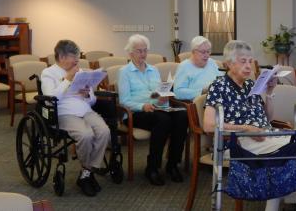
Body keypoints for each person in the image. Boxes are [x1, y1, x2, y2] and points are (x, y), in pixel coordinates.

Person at [203, 40, 296, 211]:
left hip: (264, 135)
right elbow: (208, 125)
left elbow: (267, 118)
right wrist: (245, 129)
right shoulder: (218, 86)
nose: (248, 66)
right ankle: (294, 201)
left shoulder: (250, 85)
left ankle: (288, 201)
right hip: (239, 142)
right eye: (242, 61)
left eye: (250, 61)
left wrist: (269, 93)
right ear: (229, 64)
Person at [41, 40, 110, 197]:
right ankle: (87, 175)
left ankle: (86, 172)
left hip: (85, 110)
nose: (77, 61)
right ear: (62, 56)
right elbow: (49, 99)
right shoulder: (48, 73)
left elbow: (92, 101)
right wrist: (68, 79)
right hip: (64, 113)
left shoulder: (80, 71)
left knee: (104, 132)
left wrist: (87, 94)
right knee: (86, 135)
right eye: (74, 57)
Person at [118, 34, 188, 185]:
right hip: (136, 112)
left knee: (182, 116)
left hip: (157, 108)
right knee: (163, 120)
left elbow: (157, 93)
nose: (143, 54)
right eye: (139, 51)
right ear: (130, 53)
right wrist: (142, 106)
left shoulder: (153, 70)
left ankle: (173, 164)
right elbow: (123, 101)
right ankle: (152, 167)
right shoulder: (124, 72)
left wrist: (163, 98)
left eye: (145, 50)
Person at [173, 36, 220, 101]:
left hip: (217, 100)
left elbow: (221, 80)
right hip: (198, 105)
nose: (207, 55)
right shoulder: (184, 67)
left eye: (208, 51)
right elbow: (178, 92)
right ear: (193, 52)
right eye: (203, 52)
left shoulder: (212, 62)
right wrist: (201, 92)